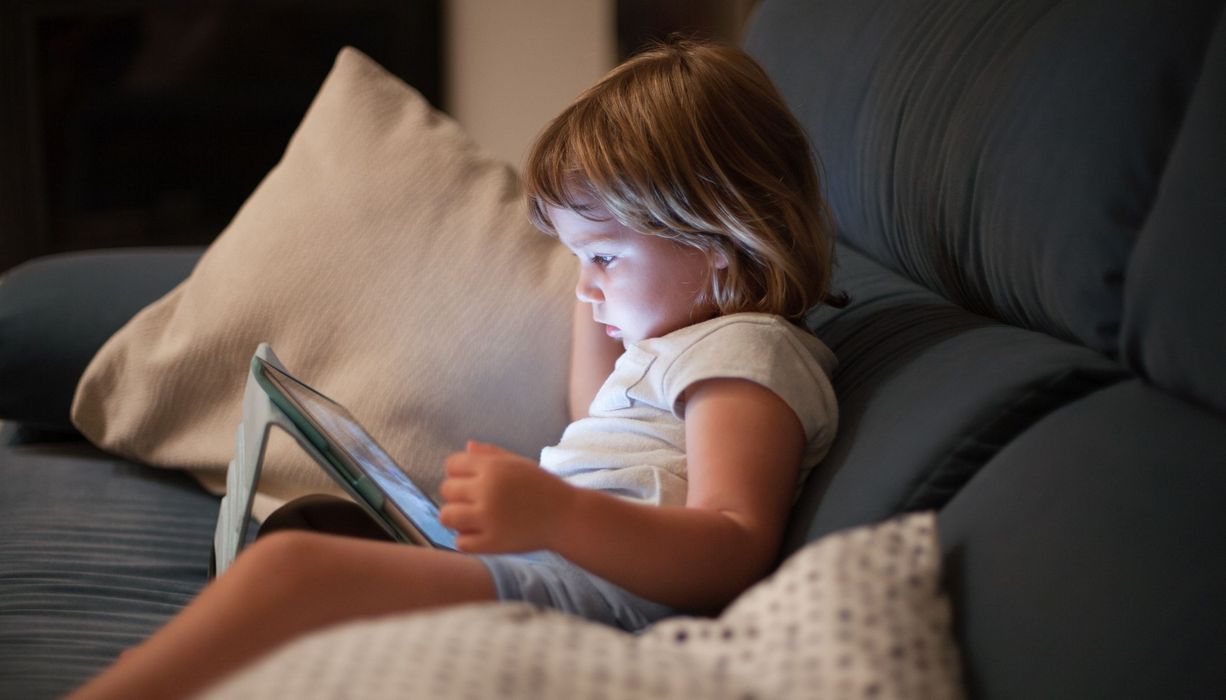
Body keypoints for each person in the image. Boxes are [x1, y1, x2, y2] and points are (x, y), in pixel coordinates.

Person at [68, 37, 844, 700]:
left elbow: (734, 545)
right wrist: (594, 279)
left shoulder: (747, 353)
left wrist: (557, 515)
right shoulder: (681, 345)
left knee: (297, 572)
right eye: (578, 259)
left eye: (605, 255)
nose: (586, 283)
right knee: (305, 534)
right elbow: (587, 406)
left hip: (587, 605)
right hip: (551, 574)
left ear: (718, 238)